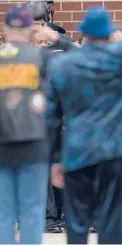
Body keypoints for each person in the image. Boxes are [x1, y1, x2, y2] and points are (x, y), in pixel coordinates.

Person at [47, 7, 122, 244]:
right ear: (108, 33)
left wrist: (54, 159)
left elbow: (51, 116)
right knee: (112, 214)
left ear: (83, 33)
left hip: (76, 148)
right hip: (111, 148)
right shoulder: (121, 59)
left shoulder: (63, 64)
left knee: (76, 216)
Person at [0, 6, 73, 244]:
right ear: (32, 29)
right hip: (34, 142)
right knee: (33, 208)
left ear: (5, 29)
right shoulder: (43, 58)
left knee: (5, 209)